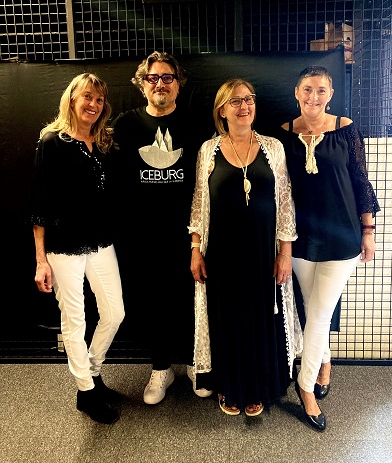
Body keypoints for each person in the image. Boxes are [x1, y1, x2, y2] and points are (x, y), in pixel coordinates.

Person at [188, 78, 303, 416]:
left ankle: (258, 388)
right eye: (235, 101)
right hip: (222, 253)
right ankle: (231, 387)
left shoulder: (273, 147)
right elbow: (199, 200)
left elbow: (286, 201)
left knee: (261, 320)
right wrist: (195, 248)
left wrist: (285, 253)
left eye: (249, 99)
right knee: (228, 320)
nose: (244, 106)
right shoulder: (208, 150)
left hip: (263, 252)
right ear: (222, 111)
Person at [279, 65, 380, 431]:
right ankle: (325, 362)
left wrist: (368, 230)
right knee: (311, 310)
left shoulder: (346, 128)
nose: (314, 96)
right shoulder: (283, 135)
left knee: (320, 314)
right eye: (308, 89)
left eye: (321, 90)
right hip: (301, 238)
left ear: (331, 94)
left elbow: (361, 181)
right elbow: (281, 191)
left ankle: (305, 387)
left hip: (343, 236)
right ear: (297, 92)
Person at [111, 51, 213, 404]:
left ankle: (195, 363)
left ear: (178, 84)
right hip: (143, 234)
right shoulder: (125, 125)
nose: (160, 84)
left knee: (192, 298)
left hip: (189, 232)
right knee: (153, 302)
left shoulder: (197, 123)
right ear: (142, 85)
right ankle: (160, 367)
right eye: (153, 78)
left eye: (167, 78)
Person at [28, 72, 125, 424]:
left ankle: (93, 374)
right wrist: (41, 260)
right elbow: (39, 203)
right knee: (75, 319)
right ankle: (86, 391)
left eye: (99, 100)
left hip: (100, 240)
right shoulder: (52, 141)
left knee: (114, 312)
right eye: (87, 97)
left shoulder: (103, 142)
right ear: (72, 99)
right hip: (64, 244)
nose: (93, 104)